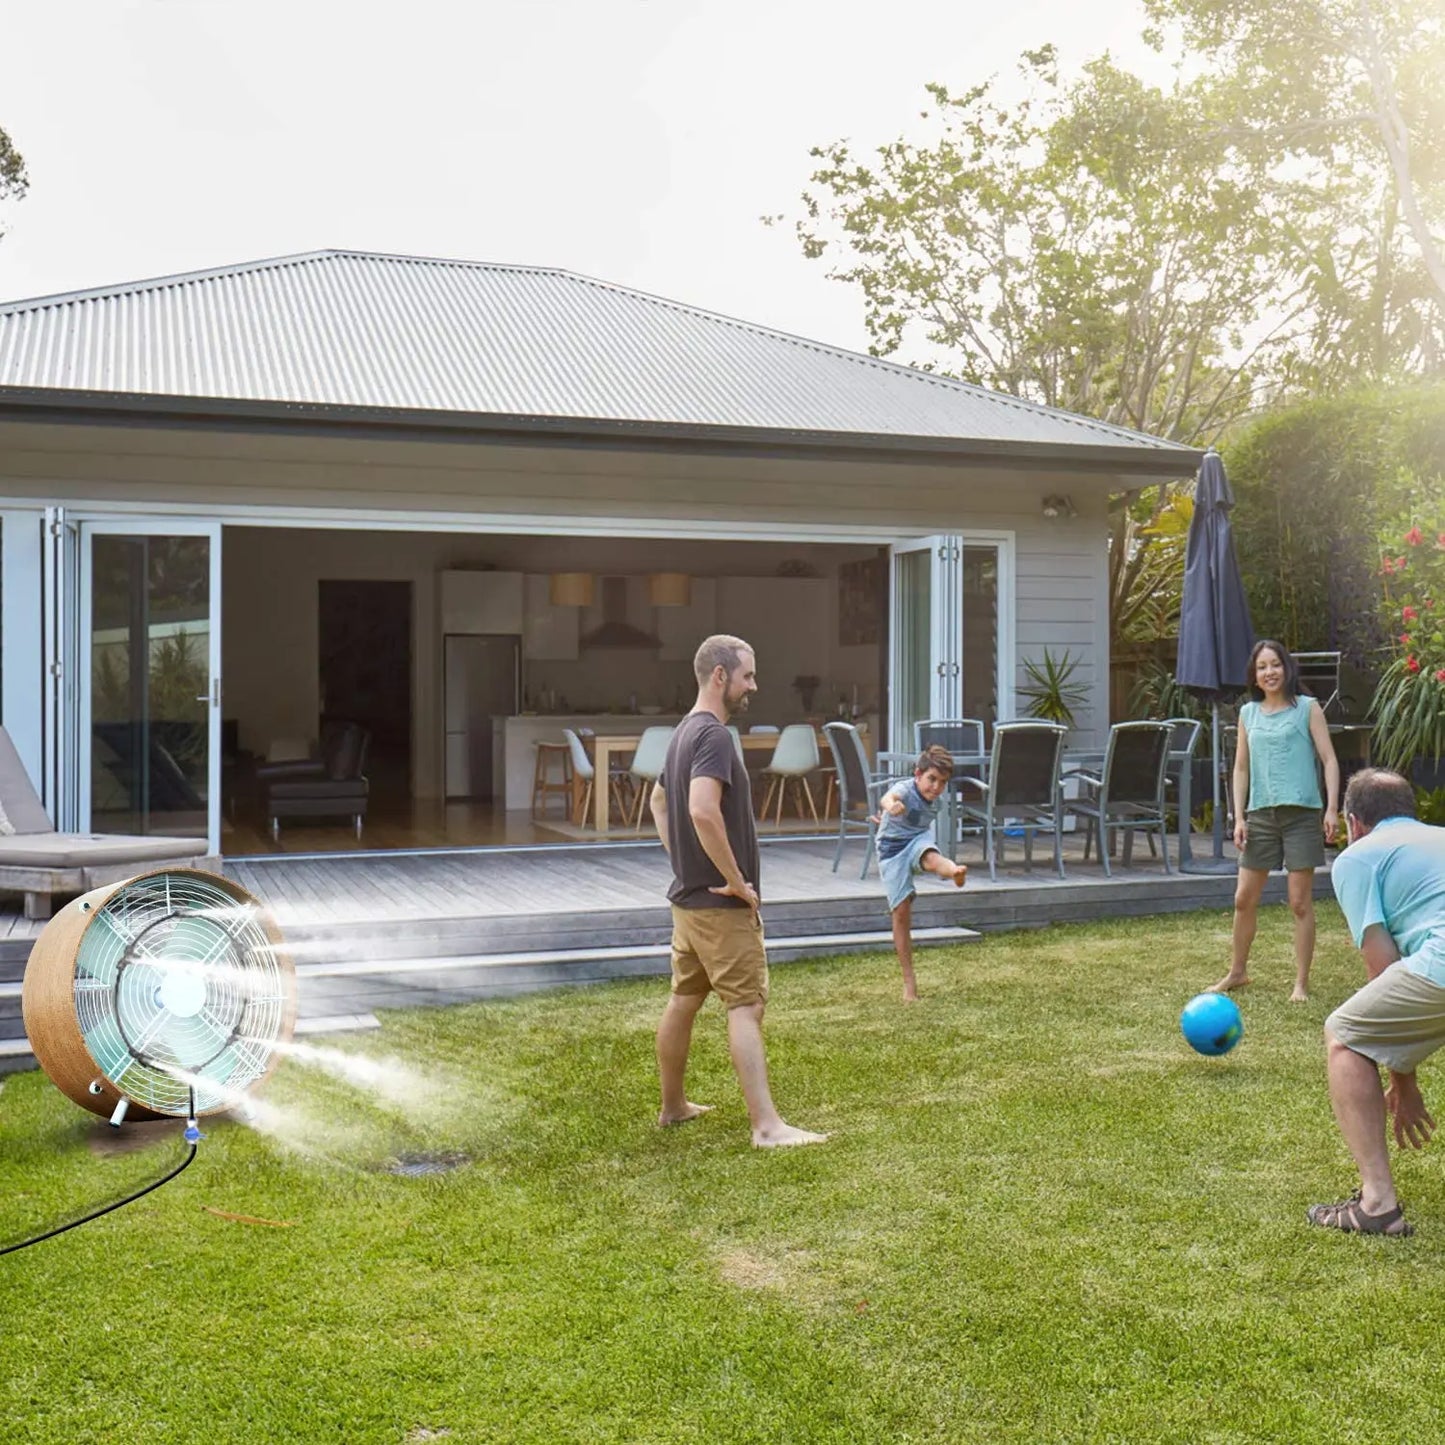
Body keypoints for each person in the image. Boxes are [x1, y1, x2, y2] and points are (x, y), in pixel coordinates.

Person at [648, 634, 828, 1149]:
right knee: (745, 1005)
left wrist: (683, 859)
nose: (754, 684)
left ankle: (673, 1107)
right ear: (721, 675)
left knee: (684, 998)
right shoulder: (714, 738)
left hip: (688, 901)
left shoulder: (683, 733)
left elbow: (660, 801)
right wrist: (731, 878)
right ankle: (767, 1127)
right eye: (747, 675)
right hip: (718, 904)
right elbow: (701, 809)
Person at [1307, 767, 1445, 1236]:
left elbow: (1382, 971)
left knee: (1345, 1036)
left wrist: (1402, 1082)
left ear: (1353, 822)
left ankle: (1378, 1205)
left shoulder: (1358, 857)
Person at [1210, 638, 1340, 1002]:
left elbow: (1329, 760)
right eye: (1262, 667)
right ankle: (1238, 971)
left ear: (1287, 668)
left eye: (1275, 664)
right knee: (1242, 899)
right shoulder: (1248, 714)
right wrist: (1239, 817)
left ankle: (1301, 982)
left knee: (1299, 902)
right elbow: (1240, 767)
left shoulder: (1308, 708)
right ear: (1254, 674)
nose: (1269, 672)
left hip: (1301, 814)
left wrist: (1331, 808)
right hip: (1260, 815)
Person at [875, 744, 968, 1002]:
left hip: (916, 840)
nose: (936, 788)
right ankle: (909, 983)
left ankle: (954, 872)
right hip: (891, 851)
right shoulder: (905, 789)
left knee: (931, 857)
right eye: (932, 779)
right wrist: (890, 808)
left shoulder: (936, 801)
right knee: (901, 912)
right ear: (918, 774)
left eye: (942, 782)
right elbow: (887, 798)